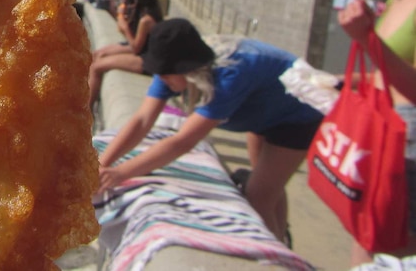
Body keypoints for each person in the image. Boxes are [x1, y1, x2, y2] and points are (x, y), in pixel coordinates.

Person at [97, 19, 323, 245]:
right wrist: (103, 165)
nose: (161, 79)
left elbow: (182, 141)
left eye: (165, 74)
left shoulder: (230, 75)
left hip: (296, 115)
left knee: (259, 195)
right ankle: (281, 236)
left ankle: (276, 253)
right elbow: (141, 120)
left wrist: (120, 174)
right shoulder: (171, 67)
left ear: (185, 68)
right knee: (268, 183)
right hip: (261, 109)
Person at [338, 0, 416, 265]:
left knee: (387, 254)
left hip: (409, 149)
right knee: (365, 244)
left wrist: (367, 39)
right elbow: (389, 74)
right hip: (386, 136)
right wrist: (342, 81)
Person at [88, 0, 162, 108]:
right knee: (96, 58)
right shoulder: (152, 15)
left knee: (96, 67)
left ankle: (86, 111)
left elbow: (136, 48)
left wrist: (125, 28)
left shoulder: (146, 21)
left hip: (148, 60)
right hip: (148, 55)